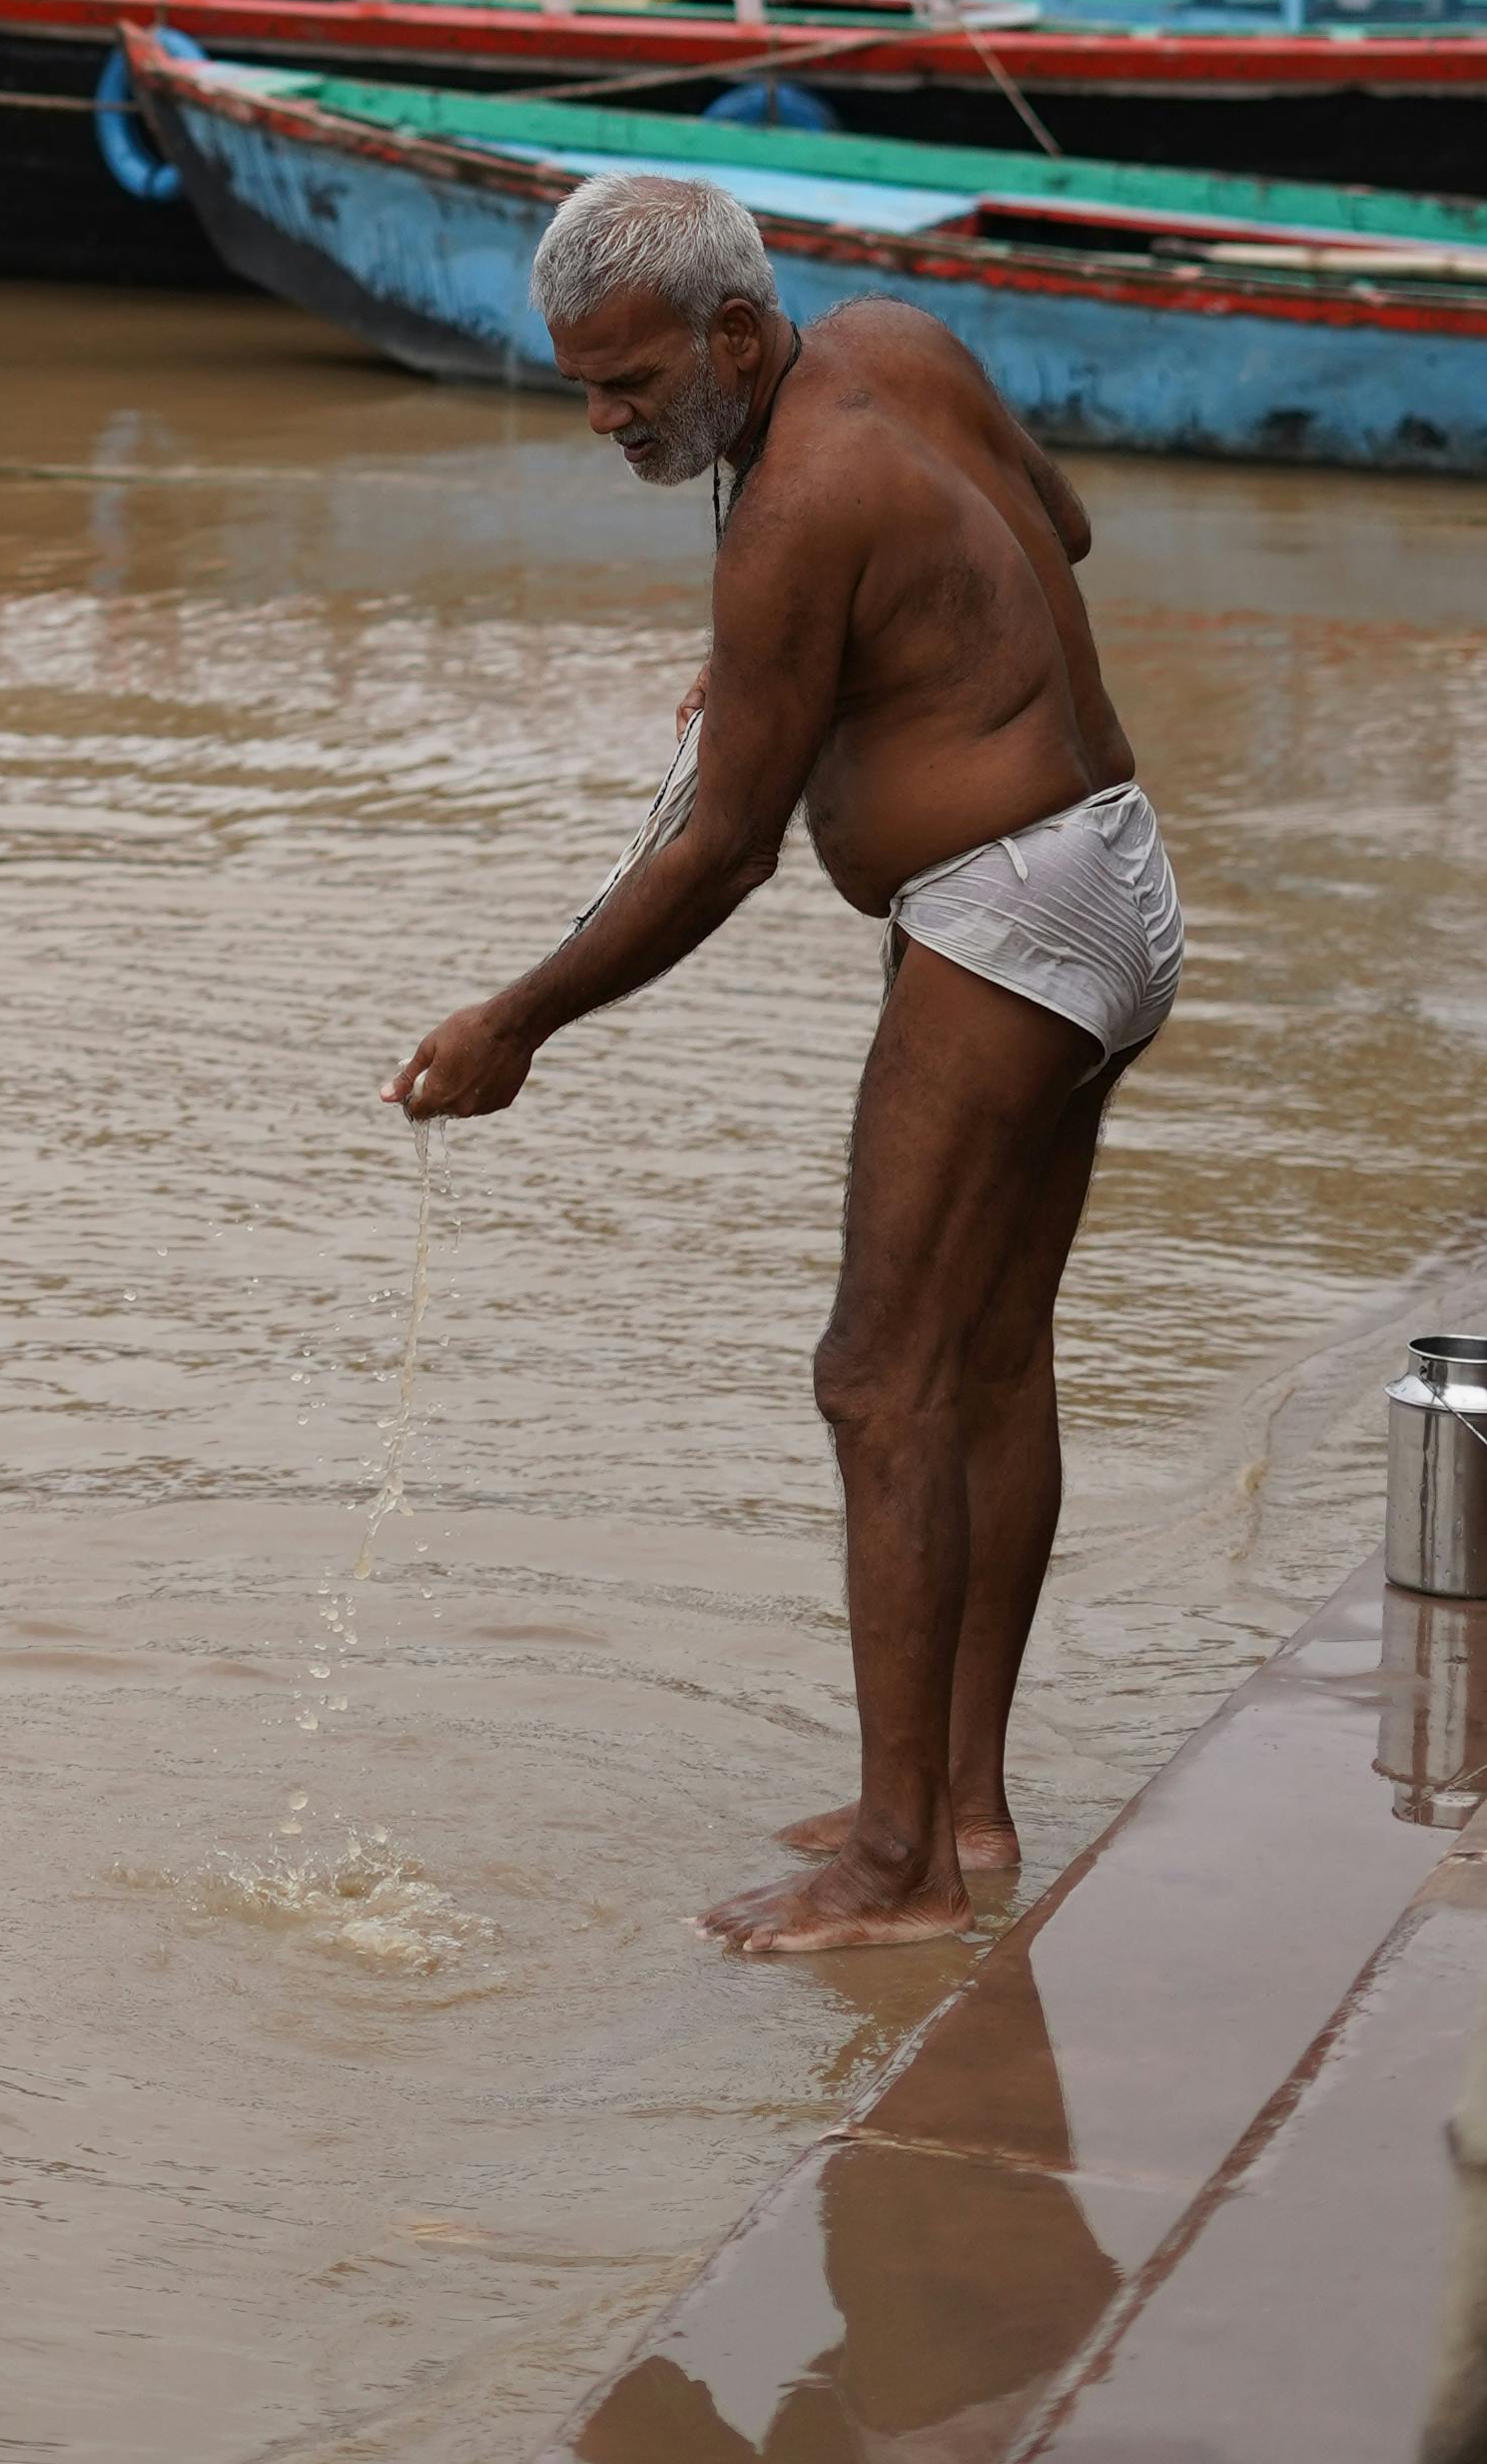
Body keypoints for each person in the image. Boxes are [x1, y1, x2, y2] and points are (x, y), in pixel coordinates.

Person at [386, 166, 1178, 1958]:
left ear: (736, 334)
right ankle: (959, 1812)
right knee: (985, 1360)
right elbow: (1050, 531)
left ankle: (892, 1866)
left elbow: (723, 849)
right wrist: (801, 650)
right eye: (581, 386)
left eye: (631, 386)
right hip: (1114, 867)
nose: (602, 421)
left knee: (874, 1377)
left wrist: (515, 1023)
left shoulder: (798, 501)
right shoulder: (892, 346)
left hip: (1011, 916)